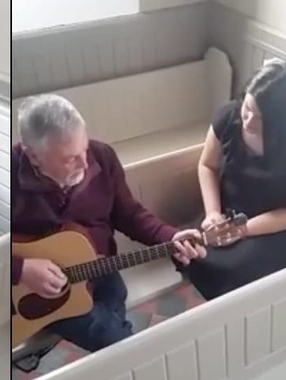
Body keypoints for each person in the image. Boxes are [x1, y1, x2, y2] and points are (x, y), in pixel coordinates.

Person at [12, 94, 206, 353]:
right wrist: (21, 269)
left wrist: (170, 237)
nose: (84, 162)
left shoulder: (101, 155)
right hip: (40, 293)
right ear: (34, 156)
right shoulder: (10, 173)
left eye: (84, 149)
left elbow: (129, 214)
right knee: (116, 340)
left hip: (102, 270)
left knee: (113, 332)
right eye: (70, 158)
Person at [182, 59, 286, 300]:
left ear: (282, 122)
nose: (247, 121)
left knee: (237, 270)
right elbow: (207, 165)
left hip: (273, 225)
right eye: (246, 109)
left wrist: (243, 230)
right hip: (227, 213)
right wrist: (213, 213)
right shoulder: (228, 116)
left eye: (258, 118)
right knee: (185, 244)